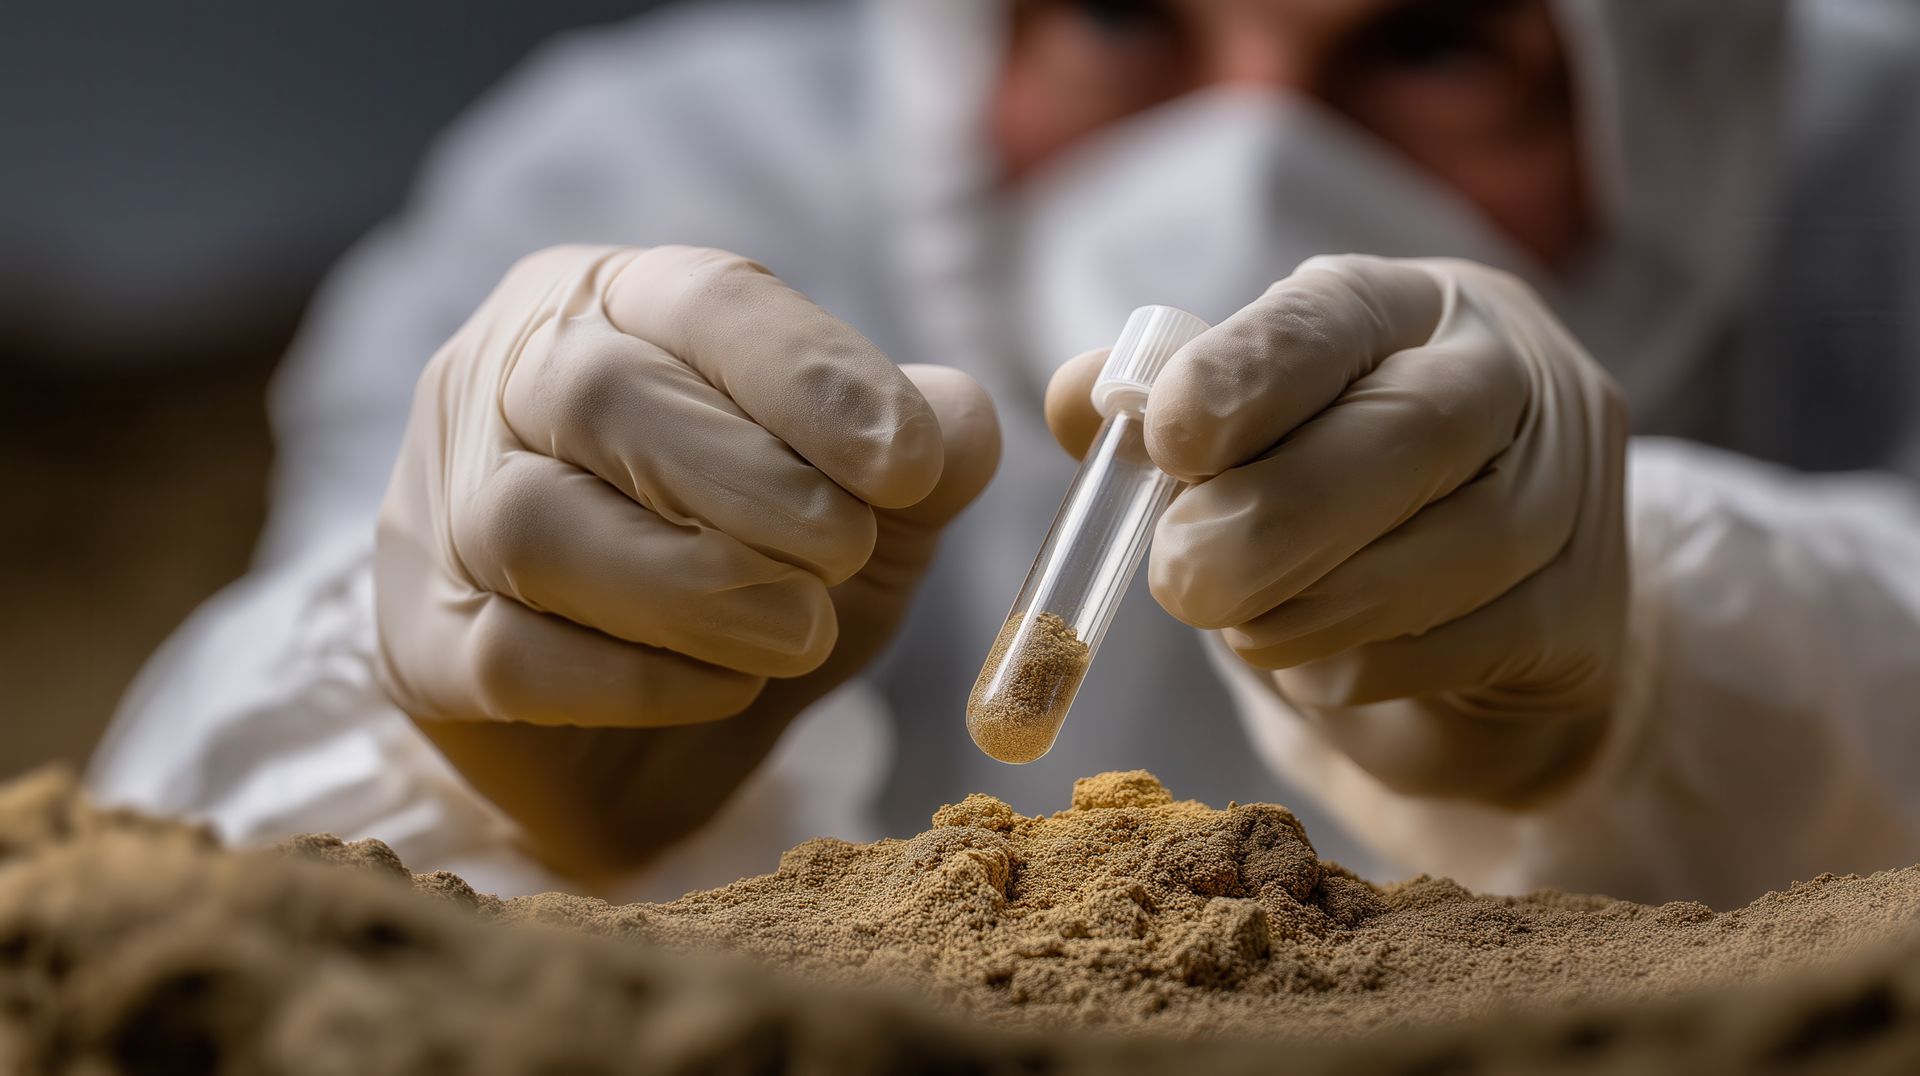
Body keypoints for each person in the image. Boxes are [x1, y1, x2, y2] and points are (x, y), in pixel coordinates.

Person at [89, 0, 1920, 907]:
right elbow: (174, 868)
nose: (1243, 177)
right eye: (1121, 13)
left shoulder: (1868, 183)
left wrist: (1656, 666)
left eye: (1437, 43)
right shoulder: (686, 167)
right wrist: (481, 756)